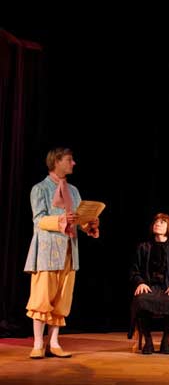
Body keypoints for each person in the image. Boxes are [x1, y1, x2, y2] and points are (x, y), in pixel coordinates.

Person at [23, 148, 100, 359]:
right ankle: (38, 343)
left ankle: (54, 342)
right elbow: (38, 220)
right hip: (47, 251)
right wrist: (62, 220)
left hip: (69, 251)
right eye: (69, 160)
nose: (73, 163)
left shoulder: (73, 191)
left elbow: (78, 219)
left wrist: (88, 225)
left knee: (62, 299)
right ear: (57, 161)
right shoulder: (40, 189)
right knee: (42, 298)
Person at [129, 213, 169, 354]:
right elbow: (135, 270)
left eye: (162, 222)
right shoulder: (144, 247)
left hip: (168, 287)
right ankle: (148, 341)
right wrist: (140, 282)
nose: (157, 224)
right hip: (149, 287)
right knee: (141, 299)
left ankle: (165, 341)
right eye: (156, 222)